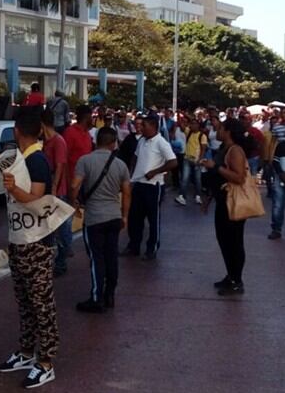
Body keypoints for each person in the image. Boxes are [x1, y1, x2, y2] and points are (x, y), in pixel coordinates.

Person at [0, 107, 59, 389]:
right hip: (20, 240)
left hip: (36, 243)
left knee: (41, 305)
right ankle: (25, 353)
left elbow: (37, 201)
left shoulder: (36, 161)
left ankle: (46, 363)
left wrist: (12, 188)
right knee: (25, 303)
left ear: (17, 130)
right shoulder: (21, 159)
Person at [70, 127, 131, 313]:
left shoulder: (85, 160)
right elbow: (127, 192)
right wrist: (125, 215)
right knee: (112, 255)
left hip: (94, 217)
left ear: (96, 140)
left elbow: (75, 185)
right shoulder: (121, 165)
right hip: (113, 215)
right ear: (114, 143)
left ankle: (96, 297)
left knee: (97, 258)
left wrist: (75, 204)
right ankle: (110, 294)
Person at [201, 118, 253, 295]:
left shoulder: (235, 150)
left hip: (233, 202)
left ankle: (237, 280)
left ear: (228, 131)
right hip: (222, 200)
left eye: (221, 128)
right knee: (224, 240)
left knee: (234, 241)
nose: (217, 130)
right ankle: (230, 275)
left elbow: (238, 177)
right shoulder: (224, 149)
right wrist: (209, 197)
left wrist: (215, 166)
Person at [123, 115, 178, 260]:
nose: (141, 128)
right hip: (138, 183)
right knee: (135, 218)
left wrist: (155, 171)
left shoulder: (161, 142)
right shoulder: (141, 140)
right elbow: (135, 157)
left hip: (153, 185)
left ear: (153, 126)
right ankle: (134, 245)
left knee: (153, 219)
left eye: (144, 126)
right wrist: (131, 174)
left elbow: (173, 162)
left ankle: (151, 248)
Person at [40, 111, 73, 277]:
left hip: (57, 192)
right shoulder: (47, 142)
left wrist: (54, 187)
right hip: (50, 191)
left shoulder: (58, 141)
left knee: (58, 229)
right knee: (52, 229)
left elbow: (60, 165)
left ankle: (62, 260)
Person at [176, 117, 207, 206]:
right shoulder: (188, 132)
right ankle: (182, 196)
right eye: (191, 123)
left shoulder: (202, 136)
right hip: (187, 158)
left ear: (198, 125)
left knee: (197, 179)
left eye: (194, 123)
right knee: (185, 178)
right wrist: (180, 116)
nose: (192, 125)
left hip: (196, 160)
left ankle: (198, 196)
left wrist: (200, 159)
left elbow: (203, 149)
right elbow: (181, 126)